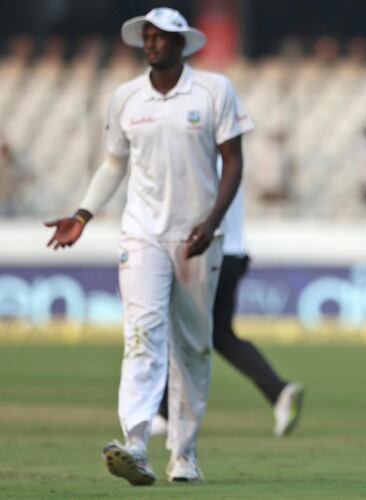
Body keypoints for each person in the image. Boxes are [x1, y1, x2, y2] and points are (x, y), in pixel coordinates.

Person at [44, 7, 254, 485]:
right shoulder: (125, 97)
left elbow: (234, 163)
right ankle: (135, 442)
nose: (153, 43)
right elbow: (114, 164)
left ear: (183, 44)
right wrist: (82, 214)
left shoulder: (214, 90)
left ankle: (183, 454)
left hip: (200, 237)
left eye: (162, 36)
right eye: (148, 36)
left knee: (193, 347)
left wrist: (212, 222)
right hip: (141, 234)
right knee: (142, 336)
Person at [151, 161, 304, 438]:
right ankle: (278, 391)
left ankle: (166, 414)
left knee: (179, 327)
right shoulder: (226, 155)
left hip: (208, 252)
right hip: (231, 252)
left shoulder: (202, 155)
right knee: (220, 335)